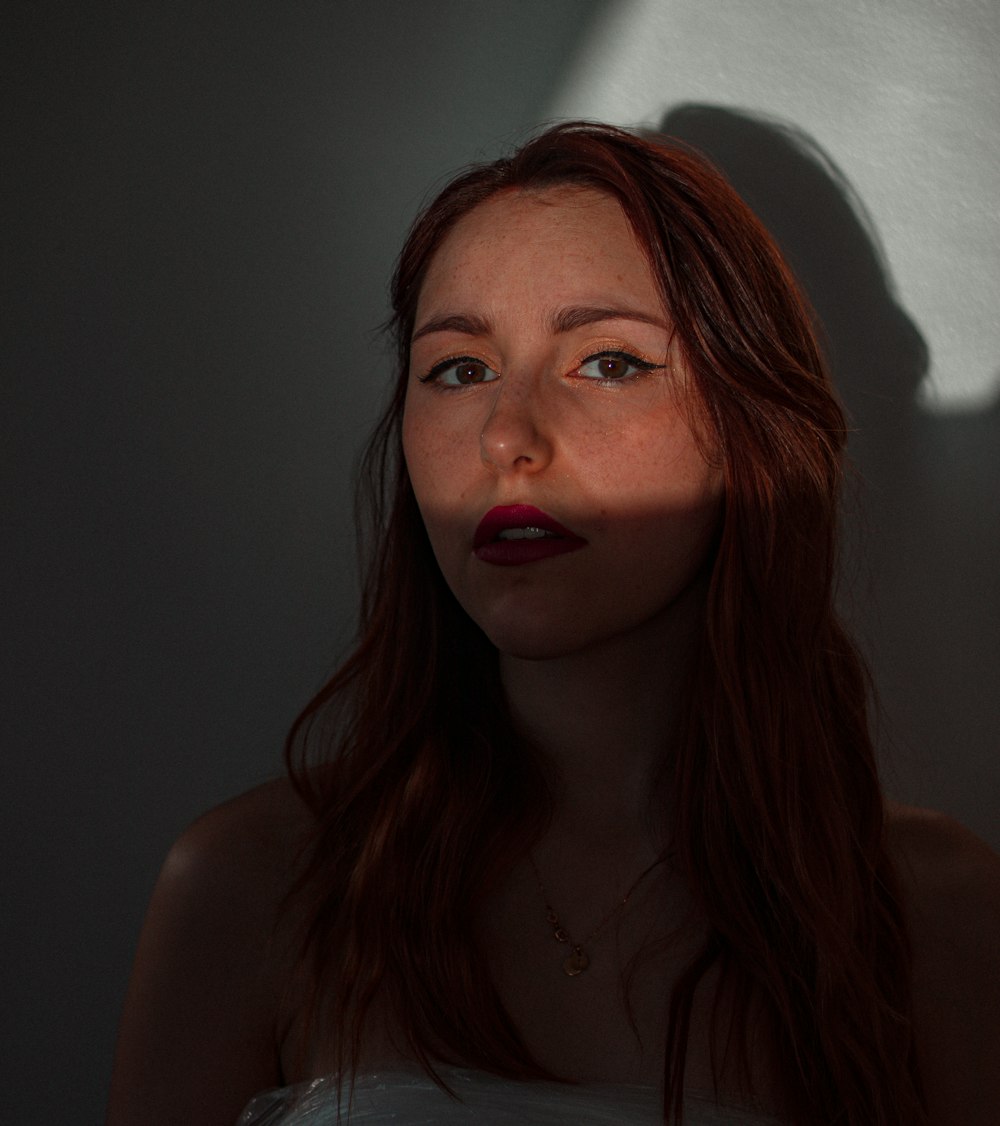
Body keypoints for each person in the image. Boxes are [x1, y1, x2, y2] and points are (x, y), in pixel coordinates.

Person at [106, 122, 1000, 1126]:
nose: (506, 436)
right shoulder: (255, 885)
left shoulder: (935, 920)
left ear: (753, 428)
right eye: (458, 369)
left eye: (607, 362)